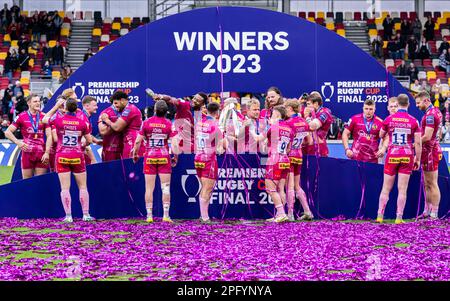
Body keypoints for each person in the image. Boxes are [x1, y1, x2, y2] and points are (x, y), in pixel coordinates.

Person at [43, 97, 93, 222]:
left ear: (64, 108)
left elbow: (44, 119)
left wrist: (55, 107)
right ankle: (86, 215)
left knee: (65, 188)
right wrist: (82, 144)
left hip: (62, 156)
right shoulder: (82, 122)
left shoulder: (58, 119)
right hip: (77, 156)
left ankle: (69, 216)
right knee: (83, 187)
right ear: (76, 109)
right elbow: (90, 140)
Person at [376, 94, 422, 224]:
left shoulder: (389, 119)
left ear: (398, 104)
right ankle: (399, 217)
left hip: (392, 155)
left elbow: (380, 134)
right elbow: (418, 143)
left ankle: (380, 215)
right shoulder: (414, 121)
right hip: (407, 156)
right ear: (408, 104)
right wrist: (417, 159)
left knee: (386, 188)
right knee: (402, 189)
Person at [132, 100, 177, 223]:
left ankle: (149, 216)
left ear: (155, 110)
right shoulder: (168, 123)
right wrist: (175, 157)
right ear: (166, 111)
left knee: (149, 188)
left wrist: (135, 154)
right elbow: (174, 143)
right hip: (164, 158)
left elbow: (137, 141)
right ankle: (166, 216)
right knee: (166, 188)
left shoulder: (146, 122)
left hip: (150, 158)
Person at [193, 102, 226, 223]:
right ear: (218, 113)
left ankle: (203, 215)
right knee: (207, 188)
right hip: (209, 160)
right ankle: (205, 217)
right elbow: (220, 148)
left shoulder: (199, 124)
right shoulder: (215, 126)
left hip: (198, 158)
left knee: (204, 188)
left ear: (206, 110)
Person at [4, 94, 51, 179]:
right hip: (27, 153)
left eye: (39, 101)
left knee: (39, 182)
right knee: (27, 183)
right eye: (35, 101)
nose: (38, 103)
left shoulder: (44, 117)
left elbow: (49, 135)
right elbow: (7, 132)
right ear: (29, 103)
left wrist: (47, 152)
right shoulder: (22, 116)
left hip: (41, 153)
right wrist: (18, 142)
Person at [415, 91, 443, 220]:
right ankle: (427, 210)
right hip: (428, 151)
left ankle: (434, 213)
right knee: (426, 183)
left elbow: (427, 136)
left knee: (432, 183)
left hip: (431, 151)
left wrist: (414, 141)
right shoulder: (434, 112)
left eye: (418, 102)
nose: (417, 105)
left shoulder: (431, 115)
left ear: (426, 101)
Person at [284, 100, 313, 221]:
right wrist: (299, 145)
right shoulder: (304, 122)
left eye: (286, 109)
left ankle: (290, 214)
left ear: (290, 108)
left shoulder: (288, 123)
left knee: (289, 186)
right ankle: (307, 211)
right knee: (297, 185)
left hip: (289, 155)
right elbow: (309, 141)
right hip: (299, 155)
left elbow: (287, 143)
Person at [263, 105, 292, 223]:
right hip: (285, 159)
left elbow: (260, 139)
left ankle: (281, 214)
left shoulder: (273, 127)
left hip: (274, 160)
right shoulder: (289, 128)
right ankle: (281, 214)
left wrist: (249, 129)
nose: (270, 117)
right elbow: (289, 148)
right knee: (281, 189)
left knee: (270, 189)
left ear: (276, 115)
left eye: (272, 115)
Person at [100, 91, 144, 159]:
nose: (115, 106)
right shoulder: (130, 108)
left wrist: (106, 120)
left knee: (130, 168)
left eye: (116, 103)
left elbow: (117, 127)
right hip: (131, 141)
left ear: (122, 100)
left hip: (132, 142)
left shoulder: (129, 109)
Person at [342, 99, 385, 163]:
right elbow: (345, 134)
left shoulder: (380, 122)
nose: (368, 111)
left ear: (375, 109)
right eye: (366, 108)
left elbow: (386, 137)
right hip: (355, 158)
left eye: (371, 109)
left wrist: (383, 149)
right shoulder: (355, 119)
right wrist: (347, 149)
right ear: (363, 108)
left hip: (373, 159)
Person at [303, 91, 333, 157]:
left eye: (308, 104)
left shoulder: (325, 112)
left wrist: (306, 116)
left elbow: (313, 126)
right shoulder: (310, 112)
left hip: (319, 148)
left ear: (316, 103)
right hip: (307, 147)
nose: (307, 107)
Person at [80, 96, 99, 165]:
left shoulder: (86, 116)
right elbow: (83, 139)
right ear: (87, 106)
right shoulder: (82, 118)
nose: (96, 107)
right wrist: (93, 159)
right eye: (94, 105)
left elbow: (86, 134)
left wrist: (96, 140)